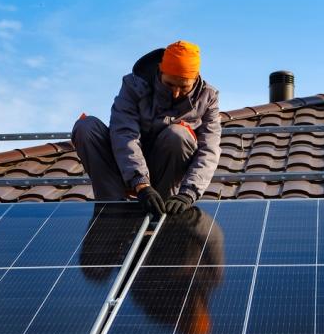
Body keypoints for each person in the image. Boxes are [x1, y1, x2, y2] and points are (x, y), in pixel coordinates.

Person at [72, 40, 221, 216]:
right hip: (125, 168)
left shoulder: (207, 98)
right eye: (170, 84)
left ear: (195, 78)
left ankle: (163, 211)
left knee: (178, 134)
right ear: (160, 70)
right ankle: (112, 210)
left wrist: (188, 194)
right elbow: (124, 134)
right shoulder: (134, 85)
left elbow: (209, 150)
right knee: (86, 127)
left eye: (183, 87)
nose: (176, 92)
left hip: (166, 173)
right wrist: (141, 183)